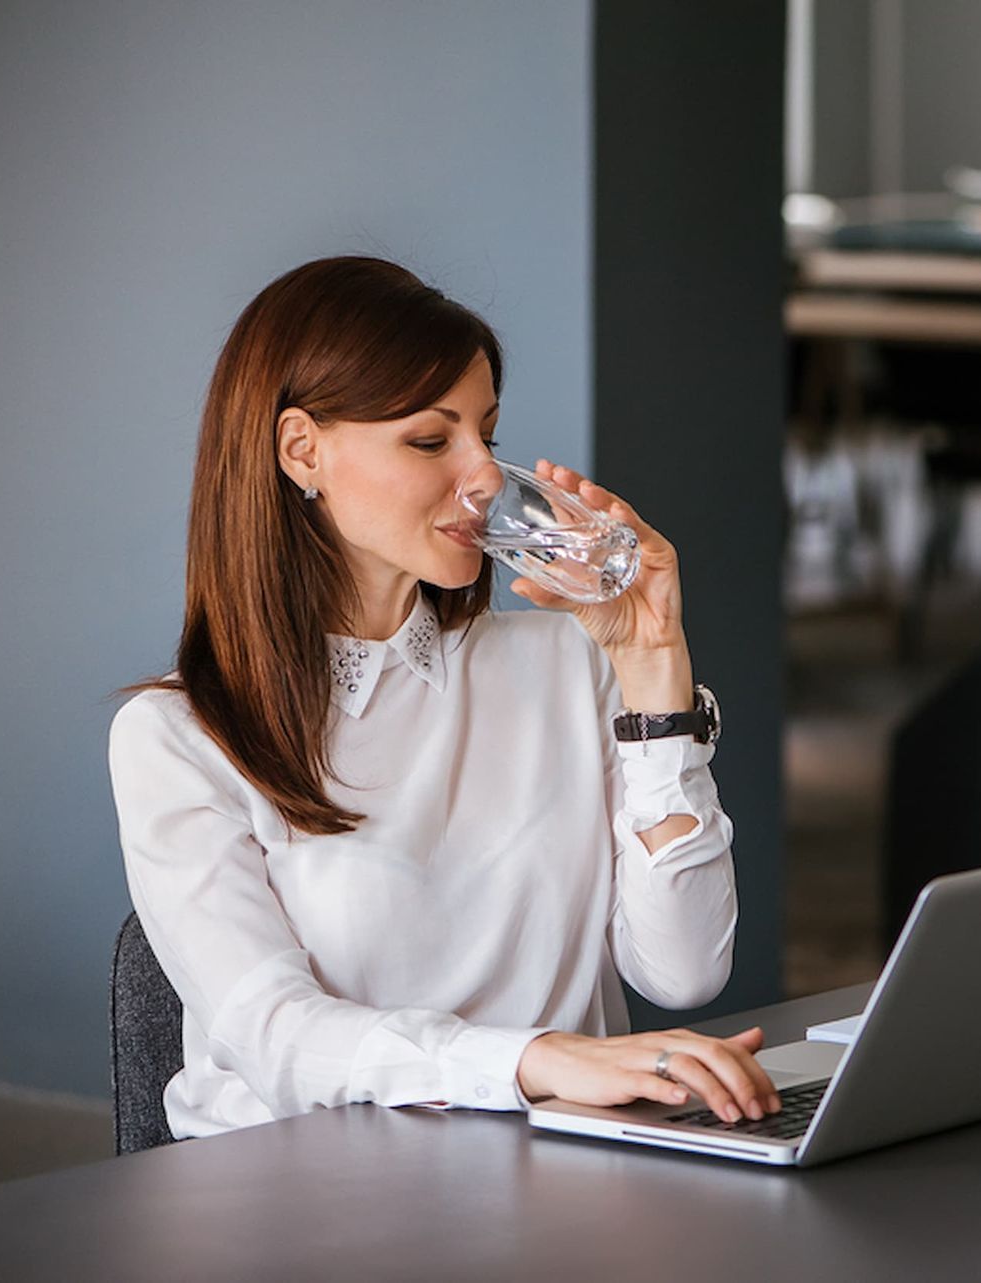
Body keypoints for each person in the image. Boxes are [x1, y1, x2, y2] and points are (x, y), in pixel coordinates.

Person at [109, 256, 780, 1139]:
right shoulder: (176, 735)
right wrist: (538, 1059)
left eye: (488, 436)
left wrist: (655, 664)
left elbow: (686, 972)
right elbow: (278, 1038)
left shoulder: (568, 661)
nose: (486, 477)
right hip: (295, 1200)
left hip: (560, 1178)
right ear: (301, 450)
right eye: (432, 440)